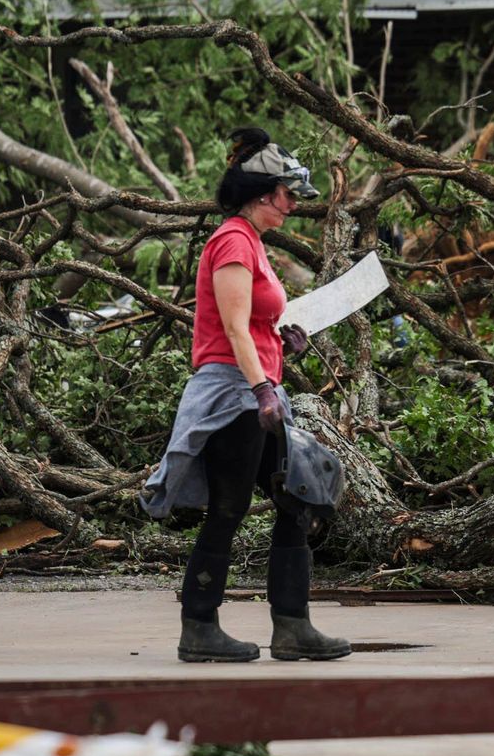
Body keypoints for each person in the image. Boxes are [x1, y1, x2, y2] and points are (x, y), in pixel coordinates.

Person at [140, 127, 351, 663]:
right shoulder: (232, 240)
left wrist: (284, 338)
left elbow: (253, 325)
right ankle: (199, 627)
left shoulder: (252, 243)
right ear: (262, 193)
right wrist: (262, 389)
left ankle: (292, 626)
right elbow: (232, 329)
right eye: (286, 193)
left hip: (257, 389)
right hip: (234, 396)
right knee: (229, 509)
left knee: (297, 497)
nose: (292, 204)